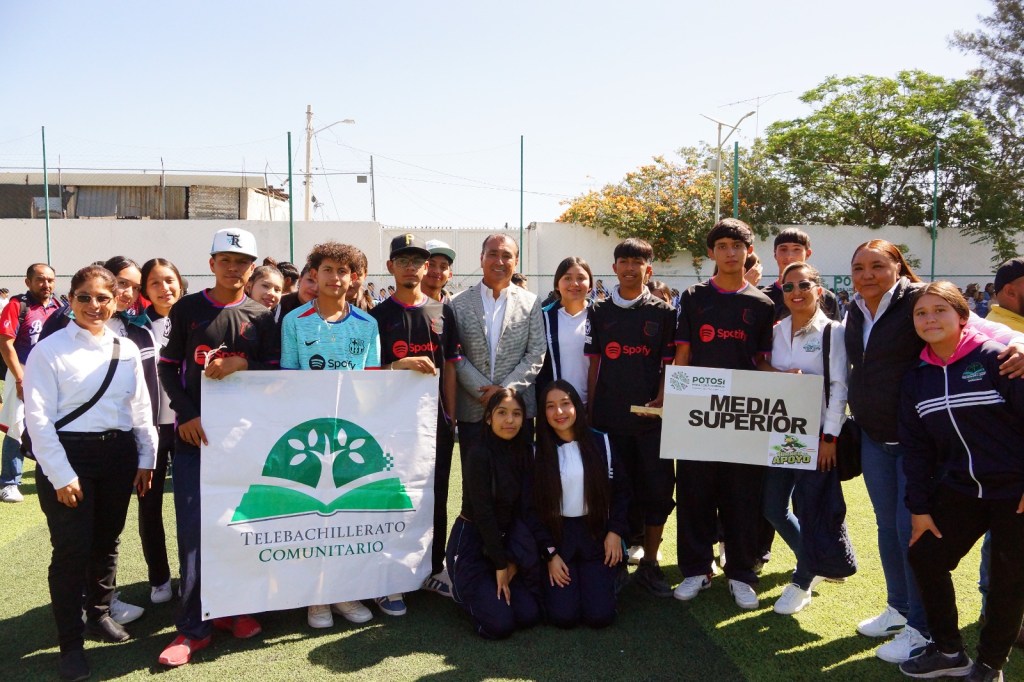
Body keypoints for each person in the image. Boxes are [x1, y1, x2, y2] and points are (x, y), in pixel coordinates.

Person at [844, 239, 1024, 664]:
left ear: (898, 267)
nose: (867, 274)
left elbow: (990, 331)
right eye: (858, 267)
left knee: (988, 569)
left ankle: (948, 642)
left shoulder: (923, 303)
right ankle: (915, 621)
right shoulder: (855, 311)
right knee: (899, 535)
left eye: (877, 265)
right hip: (888, 444)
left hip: (965, 464)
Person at [23, 264, 157, 682]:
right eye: (84, 297)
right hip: (68, 457)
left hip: (117, 455)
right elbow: (38, 419)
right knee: (71, 551)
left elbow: (140, 409)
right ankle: (70, 645)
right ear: (70, 299)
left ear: (117, 299)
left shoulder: (126, 348)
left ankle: (99, 614)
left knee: (107, 541)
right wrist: (61, 475)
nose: (94, 306)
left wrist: (146, 458)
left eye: (103, 298)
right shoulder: (50, 349)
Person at [156, 228, 280, 667]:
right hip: (194, 439)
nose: (233, 268)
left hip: (245, 441)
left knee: (242, 525)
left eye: (242, 261)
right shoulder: (188, 309)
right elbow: (168, 369)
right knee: (194, 531)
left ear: (252, 267)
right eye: (225, 260)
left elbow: (273, 372)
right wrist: (186, 414)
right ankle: (192, 627)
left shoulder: (263, 316)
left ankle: (235, 608)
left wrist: (244, 361)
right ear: (211, 264)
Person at [897, 282, 1024, 681]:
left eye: (940, 310)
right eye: (921, 313)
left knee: (1009, 576)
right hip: (960, 489)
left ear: (963, 316)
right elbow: (915, 450)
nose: (930, 318)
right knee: (925, 555)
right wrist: (919, 508)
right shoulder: (916, 379)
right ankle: (950, 650)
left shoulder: (997, 359)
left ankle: (991, 663)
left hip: (1014, 491)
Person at [672, 219, 775, 610]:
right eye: (723, 245)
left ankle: (741, 573)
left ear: (749, 251)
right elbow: (683, 355)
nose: (731, 252)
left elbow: (761, 362)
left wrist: (787, 381)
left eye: (738, 245)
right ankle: (696, 569)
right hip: (697, 414)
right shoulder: (694, 297)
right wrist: (673, 398)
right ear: (712, 253)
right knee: (695, 492)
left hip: (743, 418)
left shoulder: (762, 304)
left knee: (742, 497)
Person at [281, 241, 382, 627]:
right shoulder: (295, 321)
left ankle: (345, 593)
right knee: (312, 517)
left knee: (346, 517)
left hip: (351, 436)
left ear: (353, 278)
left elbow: (372, 384)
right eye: (327, 270)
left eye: (343, 271)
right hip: (309, 435)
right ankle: (316, 598)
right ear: (315, 274)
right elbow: (290, 379)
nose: (335, 278)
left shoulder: (367, 325)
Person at [370, 234, 461, 602]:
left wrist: (451, 414)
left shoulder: (443, 311)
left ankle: (433, 567)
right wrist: (398, 365)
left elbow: (451, 367)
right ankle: (391, 573)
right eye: (403, 261)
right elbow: (368, 370)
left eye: (418, 262)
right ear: (391, 266)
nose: (411, 267)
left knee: (435, 494)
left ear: (428, 268)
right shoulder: (375, 316)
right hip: (391, 424)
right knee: (393, 494)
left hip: (434, 422)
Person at [764, 262, 856, 615]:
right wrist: (780, 375)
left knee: (813, 508)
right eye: (788, 287)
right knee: (772, 508)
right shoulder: (776, 331)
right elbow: (763, 374)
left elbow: (839, 388)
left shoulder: (833, 332)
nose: (796, 292)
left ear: (819, 290)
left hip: (817, 435)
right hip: (780, 433)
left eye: (804, 285)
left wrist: (829, 437)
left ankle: (803, 579)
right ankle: (819, 561)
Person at [585, 238, 676, 596]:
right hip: (608, 420)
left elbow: (670, 363)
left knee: (657, 491)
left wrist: (663, 395)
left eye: (637, 261)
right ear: (614, 267)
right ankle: (614, 562)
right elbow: (594, 364)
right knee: (610, 493)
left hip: (652, 422)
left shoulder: (664, 313)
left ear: (647, 269)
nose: (629, 267)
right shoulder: (599, 311)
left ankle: (651, 563)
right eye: (623, 260)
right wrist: (591, 409)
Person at [531, 380, 629, 628]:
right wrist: (550, 554)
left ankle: (609, 578)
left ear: (577, 406)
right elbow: (530, 510)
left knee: (600, 616)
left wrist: (615, 531)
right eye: (551, 407)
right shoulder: (536, 452)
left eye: (565, 404)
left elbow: (622, 491)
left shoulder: (602, 443)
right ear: (543, 413)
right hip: (558, 538)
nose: (559, 412)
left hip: (595, 535)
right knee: (563, 617)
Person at [446, 388, 542, 639]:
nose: (510, 420)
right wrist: (501, 564)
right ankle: (462, 590)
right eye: (502, 413)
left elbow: (524, 510)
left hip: (504, 544)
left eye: (517, 414)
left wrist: (511, 561)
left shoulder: (524, 452)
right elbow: (484, 514)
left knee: (528, 615)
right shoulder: (478, 453)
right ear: (488, 417)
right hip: (472, 544)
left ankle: (485, 591)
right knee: (500, 626)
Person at [451, 234, 545, 457]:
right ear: (482, 257)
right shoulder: (457, 303)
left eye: (507, 256)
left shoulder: (531, 302)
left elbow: (536, 353)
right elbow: (455, 354)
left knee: (517, 483)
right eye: (493, 254)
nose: (499, 261)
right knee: (475, 486)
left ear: (516, 261)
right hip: (474, 410)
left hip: (517, 409)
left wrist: (504, 393)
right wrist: (484, 391)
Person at [140, 257, 184, 604]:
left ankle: (192, 573)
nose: (164, 288)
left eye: (169, 280)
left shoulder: (195, 319)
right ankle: (159, 578)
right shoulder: (135, 327)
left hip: (188, 425)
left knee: (189, 504)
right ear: (145, 289)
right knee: (149, 504)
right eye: (155, 282)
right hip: (150, 429)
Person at [0, 263, 60, 503]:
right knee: (18, 427)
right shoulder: (17, 305)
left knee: (53, 424)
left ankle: (52, 474)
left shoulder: (59, 307)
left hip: (53, 377)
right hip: (22, 374)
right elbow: (6, 344)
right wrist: (19, 377)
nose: (46, 284)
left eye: (50, 280)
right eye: (40, 279)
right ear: (28, 282)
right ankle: (9, 482)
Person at [538, 257, 593, 404]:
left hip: (594, 406)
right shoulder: (543, 317)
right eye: (567, 278)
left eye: (581, 278)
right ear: (557, 285)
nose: (574, 284)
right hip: (556, 408)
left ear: (590, 286)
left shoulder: (602, 317)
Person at [762, 228, 841, 322]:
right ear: (775, 254)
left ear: (808, 254)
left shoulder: (826, 297)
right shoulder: (763, 298)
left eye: (796, 249)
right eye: (783, 249)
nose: (789, 256)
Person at [423, 239, 456, 304]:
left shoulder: (455, 309)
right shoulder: (403, 306)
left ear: (450, 275)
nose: (437, 271)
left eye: (443, 267)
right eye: (431, 265)